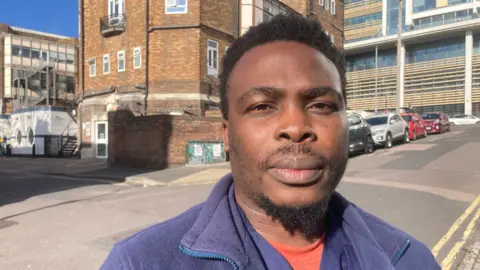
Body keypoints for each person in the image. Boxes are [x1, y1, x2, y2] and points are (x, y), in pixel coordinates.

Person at [101, 14, 440, 270]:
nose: (295, 127)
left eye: (321, 105)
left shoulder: (410, 260)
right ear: (226, 136)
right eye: (262, 106)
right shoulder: (139, 263)